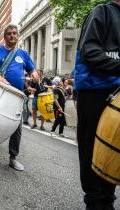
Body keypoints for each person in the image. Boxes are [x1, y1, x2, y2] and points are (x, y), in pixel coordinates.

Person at [74, 1, 120, 209]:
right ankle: (94, 201)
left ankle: (108, 200)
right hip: (94, 92)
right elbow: (89, 52)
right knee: (92, 149)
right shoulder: (101, 12)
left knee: (113, 150)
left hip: (117, 92)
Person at [0, 24, 39, 171]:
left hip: (17, 96)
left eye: (15, 33)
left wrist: (34, 75)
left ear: (18, 35)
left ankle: (13, 158)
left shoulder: (23, 54)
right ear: (5, 36)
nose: (12, 36)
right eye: (9, 33)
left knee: (17, 127)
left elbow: (32, 70)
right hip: (1, 93)